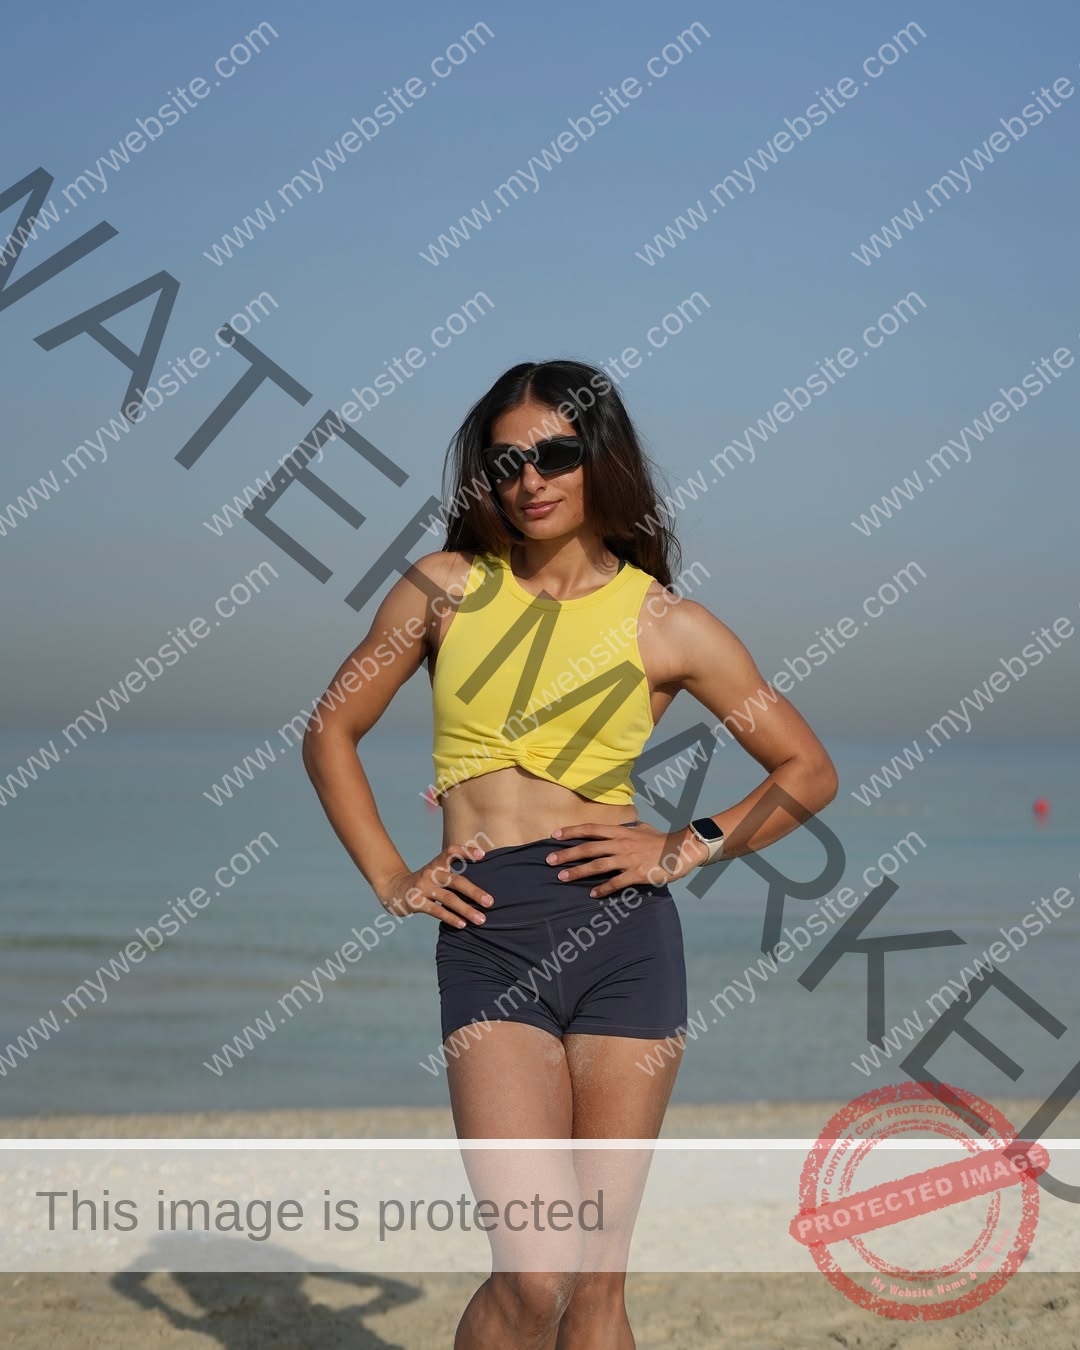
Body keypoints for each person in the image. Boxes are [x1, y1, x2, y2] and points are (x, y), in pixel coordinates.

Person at [303, 359, 838, 1349]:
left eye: (555, 453)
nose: (530, 478)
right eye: (507, 460)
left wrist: (685, 846)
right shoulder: (443, 588)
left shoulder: (666, 623)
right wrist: (389, 874)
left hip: (624, 940)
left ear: (600, 462)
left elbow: (806, 769)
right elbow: (330, 732)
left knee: (594, 1288)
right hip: (488, 934)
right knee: (535, 1271)